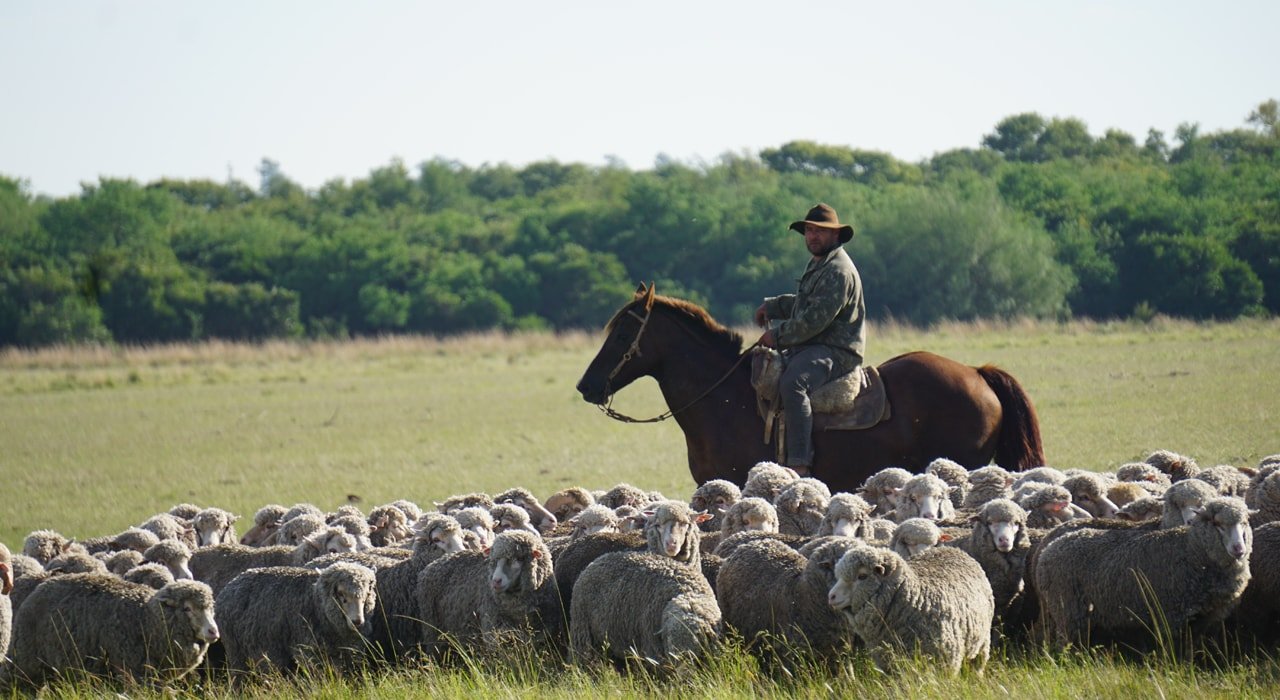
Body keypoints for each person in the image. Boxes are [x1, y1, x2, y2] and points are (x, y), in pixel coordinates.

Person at [754, 203, 866, 476]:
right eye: (809, 230)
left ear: (836, 236)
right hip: (814, 344)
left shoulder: (839, 271)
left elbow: (815, 320)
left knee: (794, 383)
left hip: (836, 350)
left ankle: (800, 462)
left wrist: (776, 335)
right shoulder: (820, 263)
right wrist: (773, 306)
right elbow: (805, 303)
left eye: (820, 231)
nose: (813, 236)